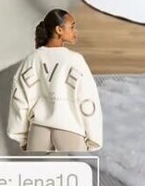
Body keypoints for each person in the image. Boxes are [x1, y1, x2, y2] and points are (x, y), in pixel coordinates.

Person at [7, 9, 103, 154]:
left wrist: (22, 137)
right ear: (59, 30)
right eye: (72, 27)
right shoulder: (75, 60)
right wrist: (93, 138)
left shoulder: (32, 59)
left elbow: (19, 100)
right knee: (76, 169)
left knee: (36, 170)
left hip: (38, 132)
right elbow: (87, 101)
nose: (75, 31)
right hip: (70, 130)